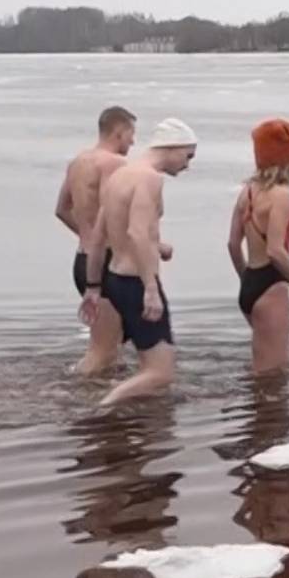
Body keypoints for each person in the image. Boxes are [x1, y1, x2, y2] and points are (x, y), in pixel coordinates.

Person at [86, 119, 198, 405]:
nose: (187, 165)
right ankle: (101, 408)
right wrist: (151, 289)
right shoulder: (149, 178)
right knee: (160, 373)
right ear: (171, 147)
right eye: (188, 156)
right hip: (136, 282)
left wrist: (93, 287)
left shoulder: (120, 176)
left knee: (113, 359)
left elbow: (99, 238)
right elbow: (137, 233)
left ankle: (88, 397)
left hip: (114, 279)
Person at [228, 118, 289, 373]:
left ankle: (257, 411)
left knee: (264, 366)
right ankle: (266, 413)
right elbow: (275, 250)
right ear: (288, 159)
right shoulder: (282, 196)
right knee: (272, 373)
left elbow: (232, 244)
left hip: (250, 283)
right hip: (271, 287)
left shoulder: (247, 192)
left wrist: (246, 282)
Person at [58, 106, 135, 375]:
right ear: (119, 131)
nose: (133, 142)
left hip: (83, 260)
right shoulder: (113, 164)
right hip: (106, 263)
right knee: (102, 352)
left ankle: (107, 406)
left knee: (111, 346)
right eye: (131, 134)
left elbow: (61, 209)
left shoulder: (77, 163)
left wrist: (86, 236)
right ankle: (74, 395)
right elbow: (111, 212)